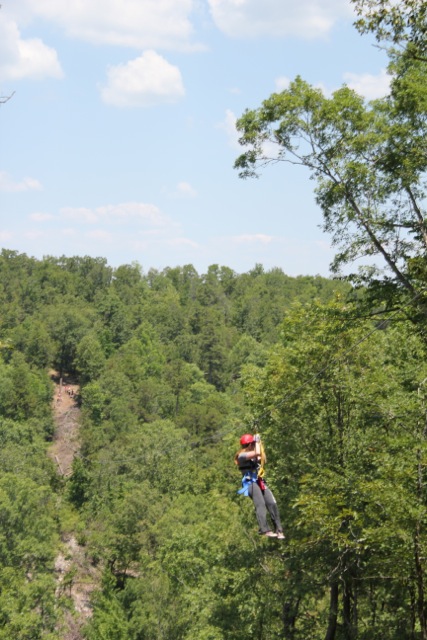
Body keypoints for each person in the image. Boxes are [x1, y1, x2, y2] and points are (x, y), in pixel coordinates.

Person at [234, 433, 285, 539]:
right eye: (252, 443)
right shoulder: (242, 456)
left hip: (259, 481)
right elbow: (257, 452)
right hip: (250, 483)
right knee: (260, 504)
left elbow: (262, 457)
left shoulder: (254, 456)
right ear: (249, 445)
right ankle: (264, 529)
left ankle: (279, 530)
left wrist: (259, 443)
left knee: (271, 503)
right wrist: (257, 441)